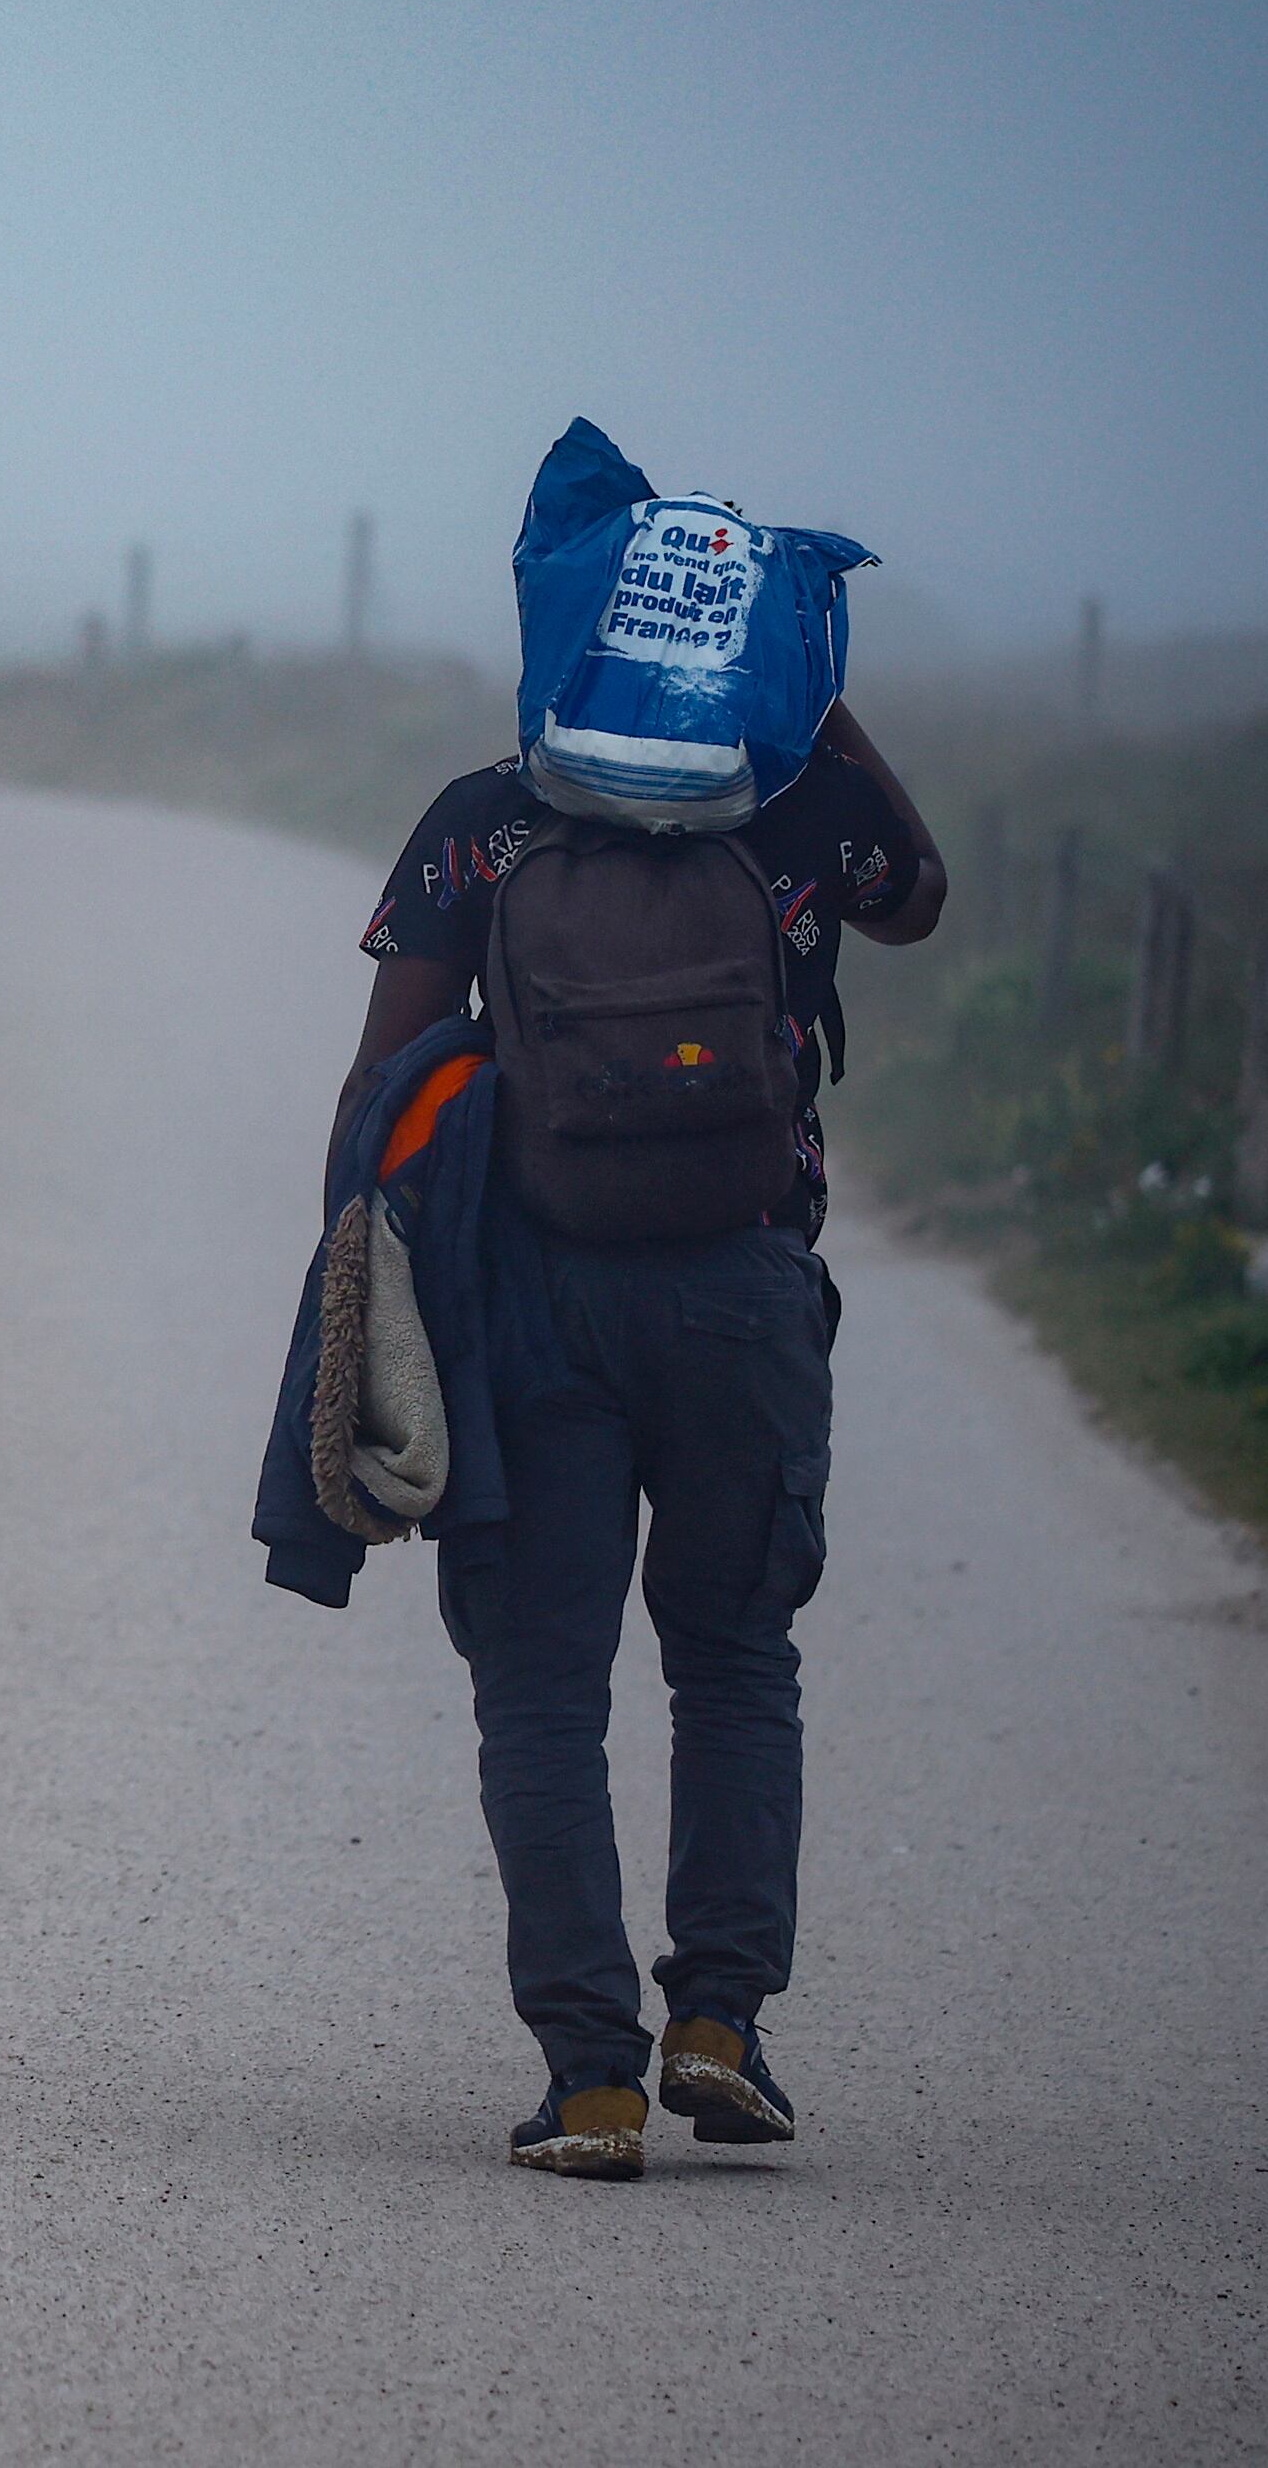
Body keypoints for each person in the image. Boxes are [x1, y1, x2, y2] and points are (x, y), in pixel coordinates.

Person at [323, 680, 944, 2182]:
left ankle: (591, 2079)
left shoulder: (488, 821)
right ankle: (719, 2024)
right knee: (734, 1660)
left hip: (537, 1298)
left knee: (541, 1690)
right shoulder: (796, 812)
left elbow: (386, 1074)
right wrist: (827, 713)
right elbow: (916, 897)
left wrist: (354, 1302)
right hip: (743, 1286)